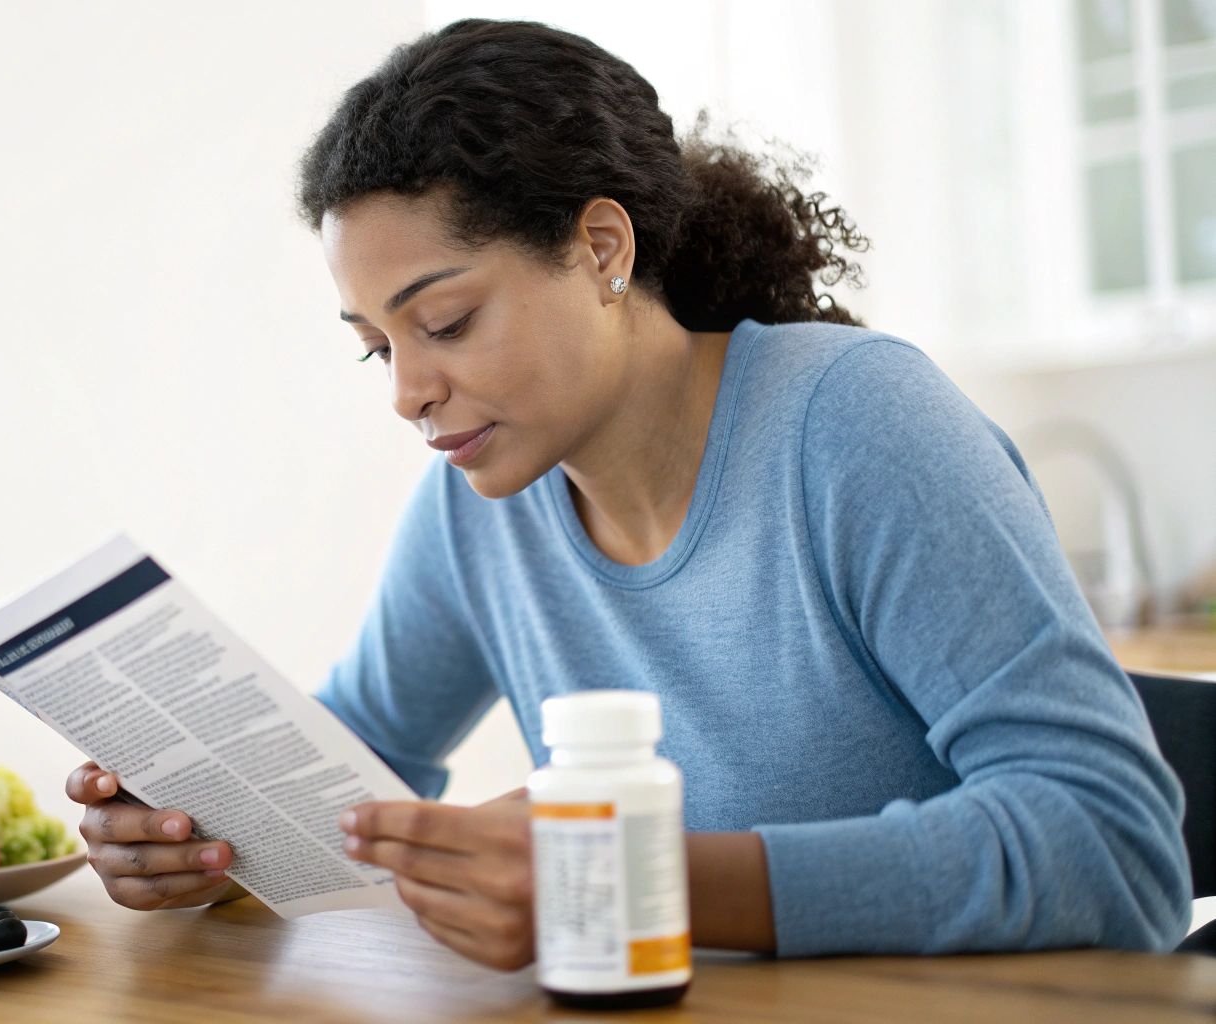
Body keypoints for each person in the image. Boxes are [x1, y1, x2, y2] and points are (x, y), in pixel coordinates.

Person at [65, 18, 1193, 968]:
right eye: (376, 347)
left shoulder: (853, 424)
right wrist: (200, 843)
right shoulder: (477, 507)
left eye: (446, 322)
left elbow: (1112, 840)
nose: (408, 393)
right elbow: (348, 772)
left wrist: (631, 878)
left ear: (601, 245)